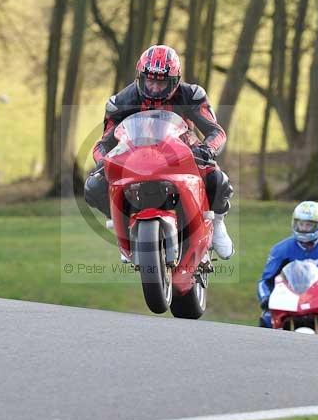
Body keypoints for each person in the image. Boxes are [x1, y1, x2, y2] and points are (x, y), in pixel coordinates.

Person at [83, 44, 234, 259]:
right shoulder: (120, 102)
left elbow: (216, 132)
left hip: (181, 153)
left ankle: (217, 224)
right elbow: (102, 144)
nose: (154, 88)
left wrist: (207, 150)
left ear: (175, 80)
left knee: (218, 178)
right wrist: (104, 161)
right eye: (150, 80)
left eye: (161, 82)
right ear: (140, 77)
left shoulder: (192, 95)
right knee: (93, 186)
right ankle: (123, 228)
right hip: (136, 157)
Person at [257, 201, 318, 335]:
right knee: (266, 321)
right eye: (300, 224)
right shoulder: (281, 249)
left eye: (309, 225)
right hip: (289, 295)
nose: (303, 228)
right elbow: (265, 280)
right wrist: (265, 297)